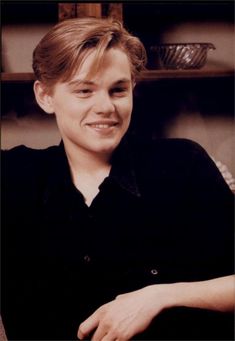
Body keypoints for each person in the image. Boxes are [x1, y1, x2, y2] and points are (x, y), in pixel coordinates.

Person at [1, 17, 234, 341]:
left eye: (118, 90)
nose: (106, 107)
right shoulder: (14, 176)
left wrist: (159, 296)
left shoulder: (182, 165)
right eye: (84, 90)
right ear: (45, 96)